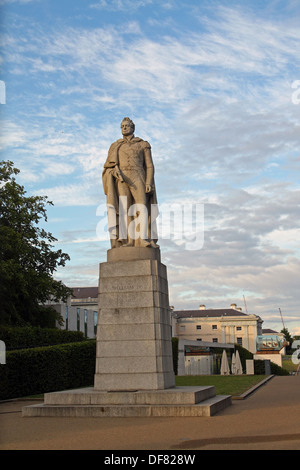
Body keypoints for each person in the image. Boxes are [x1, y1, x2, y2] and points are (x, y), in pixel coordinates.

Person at [102, 117, 159, 248]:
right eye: (122, 126)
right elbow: (108, 166)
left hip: (138, 176)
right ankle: (129, 241)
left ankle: (143, 238)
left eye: (127, 126)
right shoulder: (115, 145)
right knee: (125, 209)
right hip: (121, 178)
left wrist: (149, 182)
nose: (125, 128)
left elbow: (149, 165)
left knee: (142, 206)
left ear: (133, 128)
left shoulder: (142, 144)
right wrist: (113, 172)